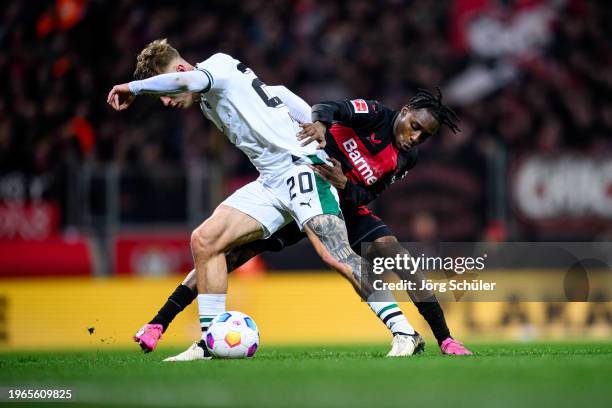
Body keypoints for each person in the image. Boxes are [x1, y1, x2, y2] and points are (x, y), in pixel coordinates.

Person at [108, 39, 422, 360]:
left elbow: (188, 82)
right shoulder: (211, 93)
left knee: (336, 254)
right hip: (271, 180)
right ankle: (209, 342)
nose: (166, 101)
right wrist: (313, 124)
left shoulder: (214, 68)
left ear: (179, 71)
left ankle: (404, 332)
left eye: (165, 92)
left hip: (300, 169)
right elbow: (280, 94)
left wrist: (134, 88)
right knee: (205, 241)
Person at [133, 82, 473, 358]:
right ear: (405, 112)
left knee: (399, 258)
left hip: (343, 203)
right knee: (231, 253)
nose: (415, 137)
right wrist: (322, 126)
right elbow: (331, 107)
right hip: (303, 190)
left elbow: (367, 195)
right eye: (415, 126)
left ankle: (445, 340)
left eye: (424, 136)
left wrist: (345, 184)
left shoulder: (405, 158)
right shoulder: (375, 115)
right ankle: (160, 323)